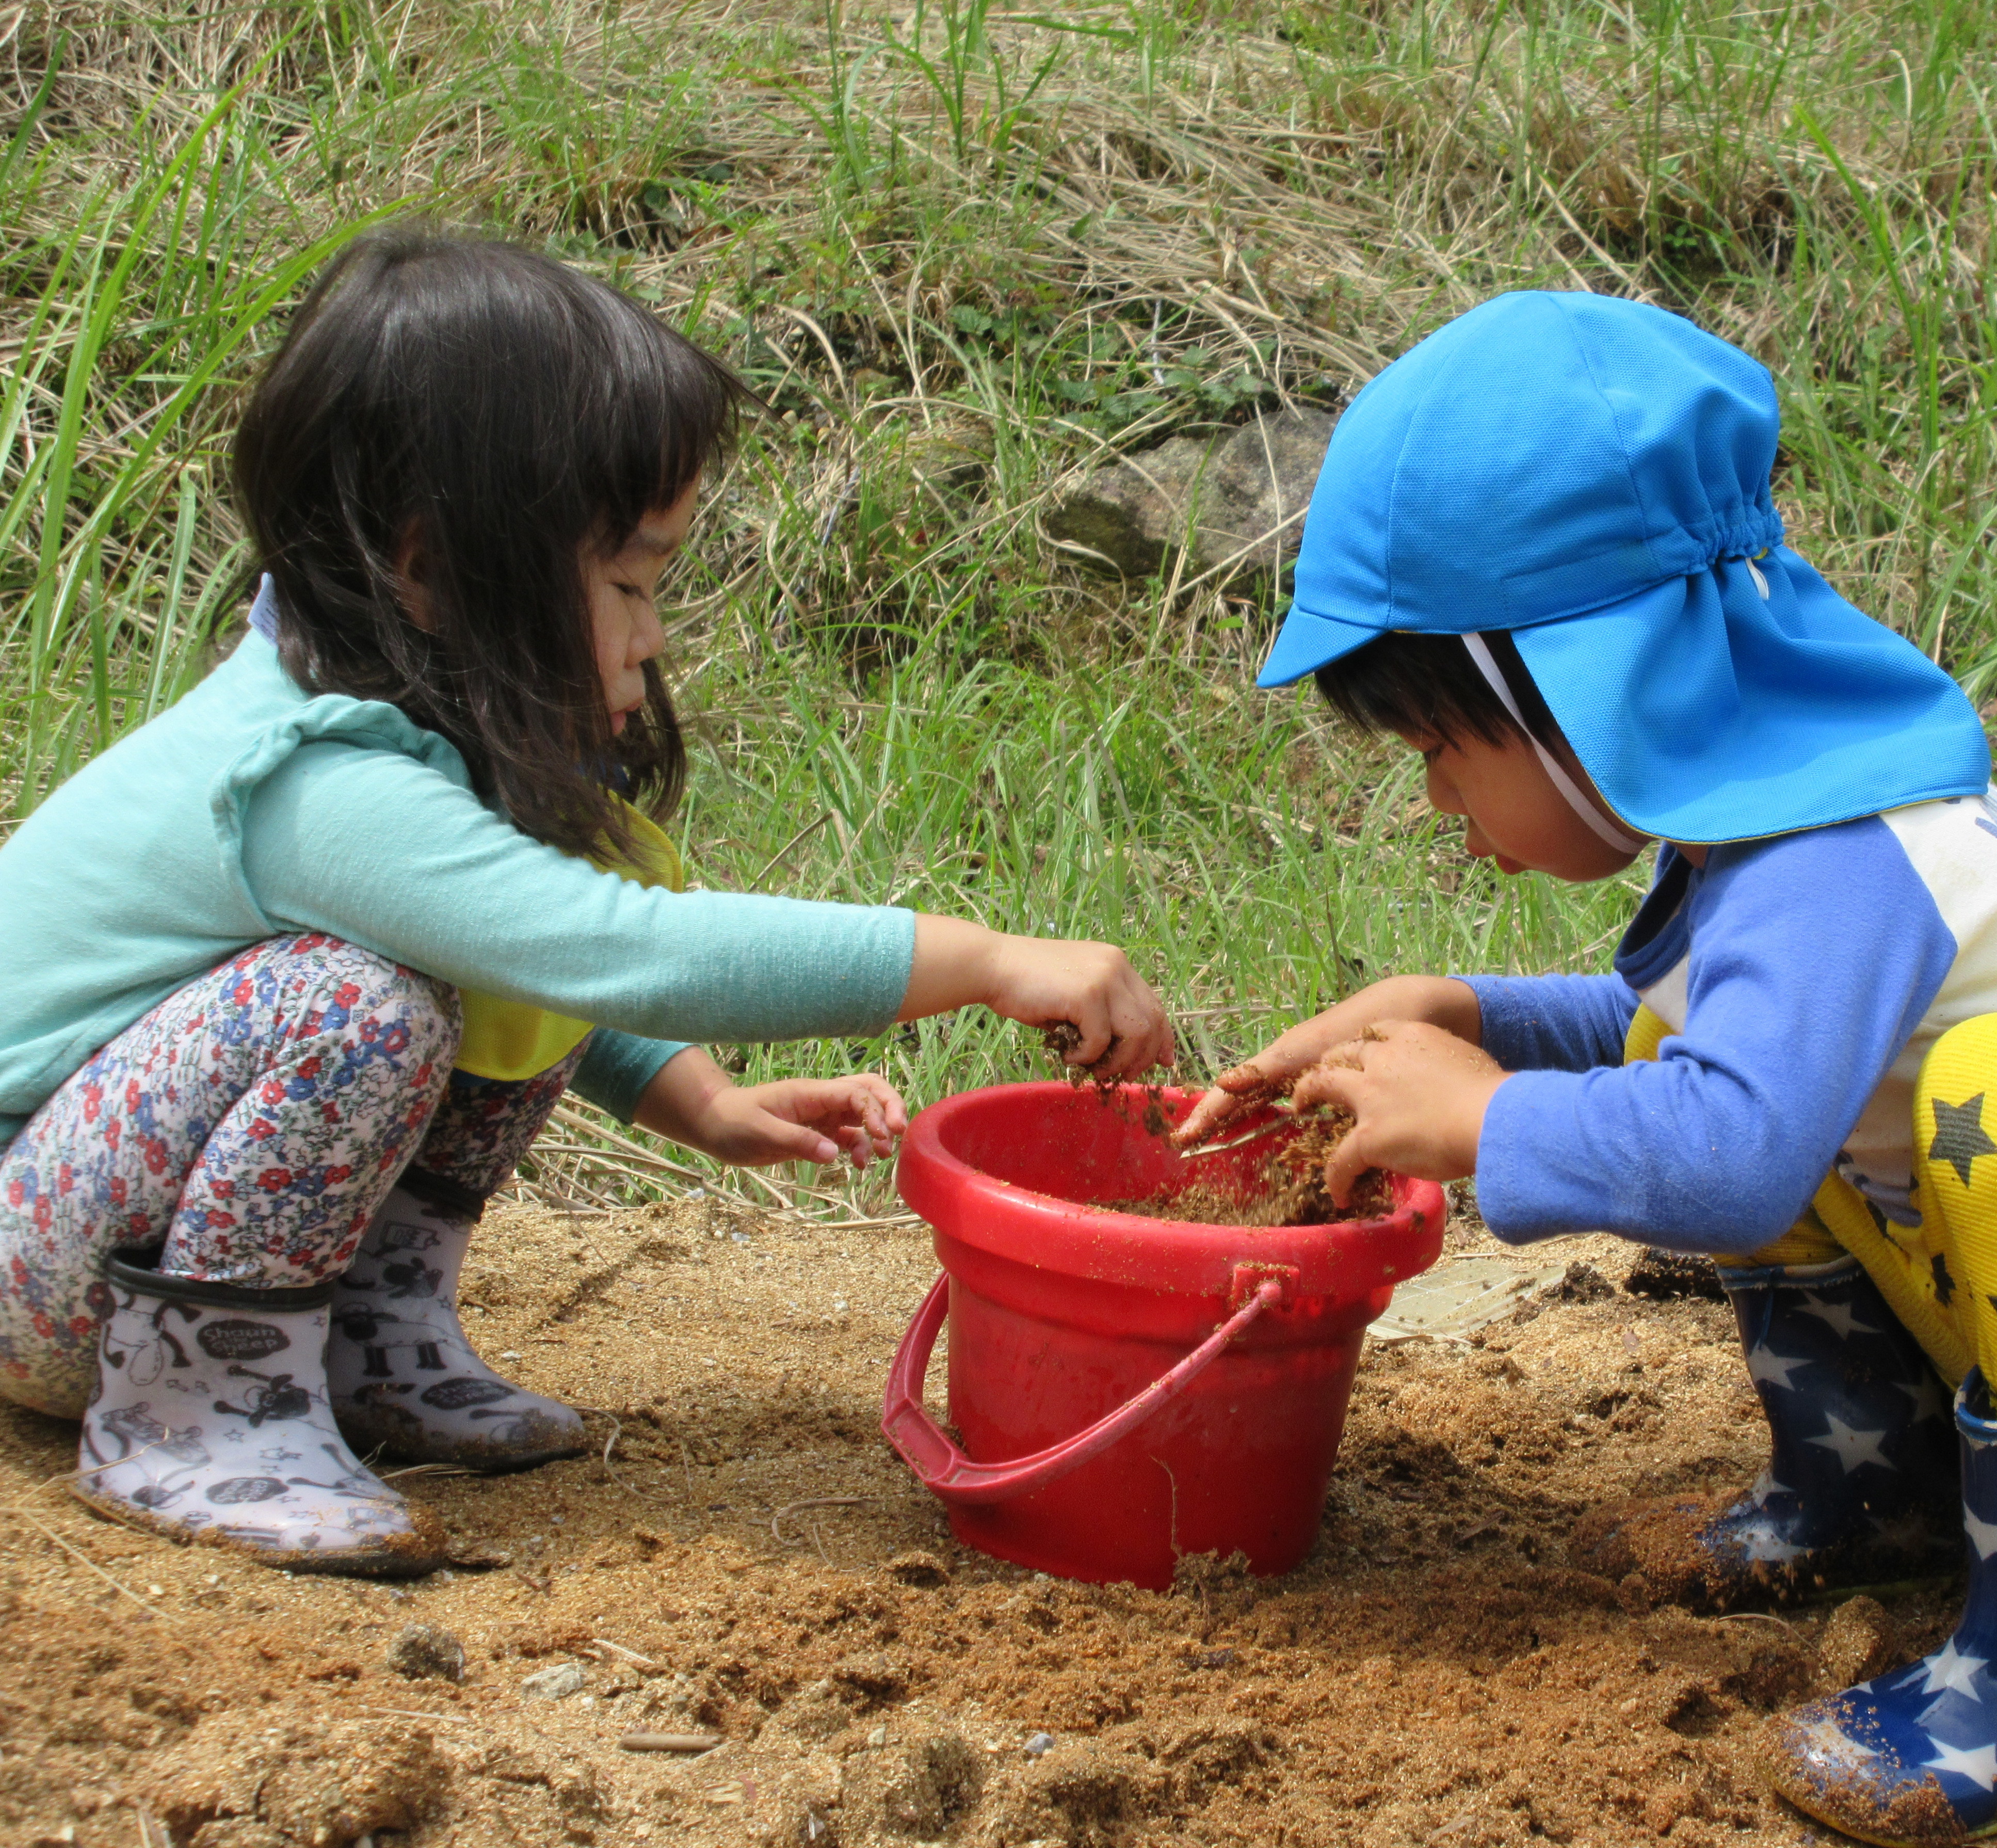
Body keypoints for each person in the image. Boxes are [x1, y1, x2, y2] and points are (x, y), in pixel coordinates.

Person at [1177, 291, 1997, 1848]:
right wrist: (1470, 1015)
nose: (1437, 795)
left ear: (1571, 689)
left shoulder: (1841, 857)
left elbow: (1730, 1156)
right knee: (1667, 1046)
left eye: (1445, 746)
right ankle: (1878, 1494)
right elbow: (1737, 1046)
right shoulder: (1779, 835)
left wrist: (1490, 1117)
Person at [0, 233, 1171, 1579]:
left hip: (103, 1219)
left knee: (480, 936)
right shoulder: (313, 779)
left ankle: (371, 1338)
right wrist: (984, 960)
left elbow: (553, 964)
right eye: (627, 583)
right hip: (34, 1256)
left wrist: (702, 1103)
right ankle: (198, 1412)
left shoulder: (399, 734)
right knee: (361, 1000)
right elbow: (617, 952)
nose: (650, 635)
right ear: (430, 568)